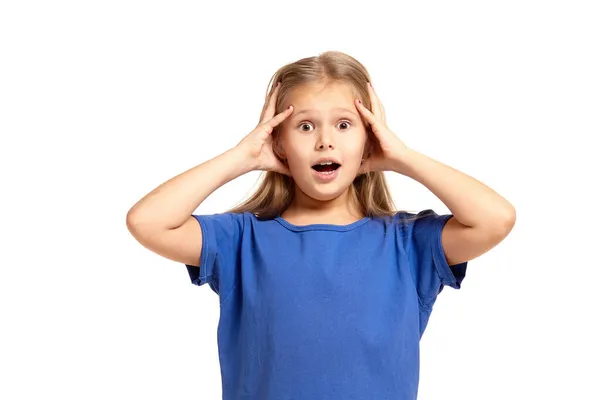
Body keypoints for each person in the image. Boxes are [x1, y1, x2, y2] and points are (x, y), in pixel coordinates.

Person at [126, 51, 516, 400]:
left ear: (370, 140)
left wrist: (404, 158)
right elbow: (147, 223)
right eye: (305, 127)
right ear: (279, 143)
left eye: (345, 125)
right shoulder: (242, 240)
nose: (325, 141)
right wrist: (241, 156)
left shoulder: (406, 243)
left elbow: (495, 219)